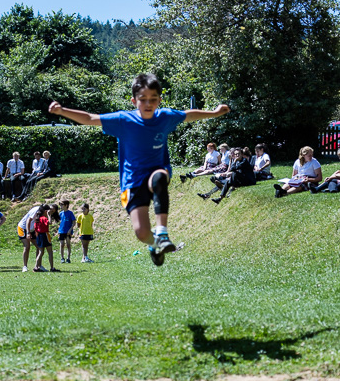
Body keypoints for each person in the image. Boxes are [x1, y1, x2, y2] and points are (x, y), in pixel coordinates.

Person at [49, 73, 229, 266]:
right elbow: (90, 118)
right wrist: (62, 111)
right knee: (141, 232)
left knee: (159, 178)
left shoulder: (165, 117)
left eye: (153, 99)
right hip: (131, 181)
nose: (148, 103)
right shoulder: (123, 120)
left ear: (159, 100)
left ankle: (162, 232)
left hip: (158, 170)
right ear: (134, 101)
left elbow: (189, 115)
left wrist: (214, 112)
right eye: (143, 99)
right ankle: (154, 244)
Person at [33, 204, 60, 272]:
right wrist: (49, 215)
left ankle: (36, 267)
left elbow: (35, 228)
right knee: (50, 252)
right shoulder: (44, 218)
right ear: (45, 211)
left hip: (39, 235)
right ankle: (52, 267)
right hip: (45, 235)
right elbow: (49, 222)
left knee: (41, 252)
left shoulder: (37, 219)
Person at [17, 204, 42, 272]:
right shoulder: (36, 210)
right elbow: (28, 220)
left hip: (32, 229)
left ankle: (38, 265)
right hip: (23, 228)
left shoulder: (44, 213)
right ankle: (25, 266)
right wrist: (28, 233)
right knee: (27, 246)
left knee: (39, 246)